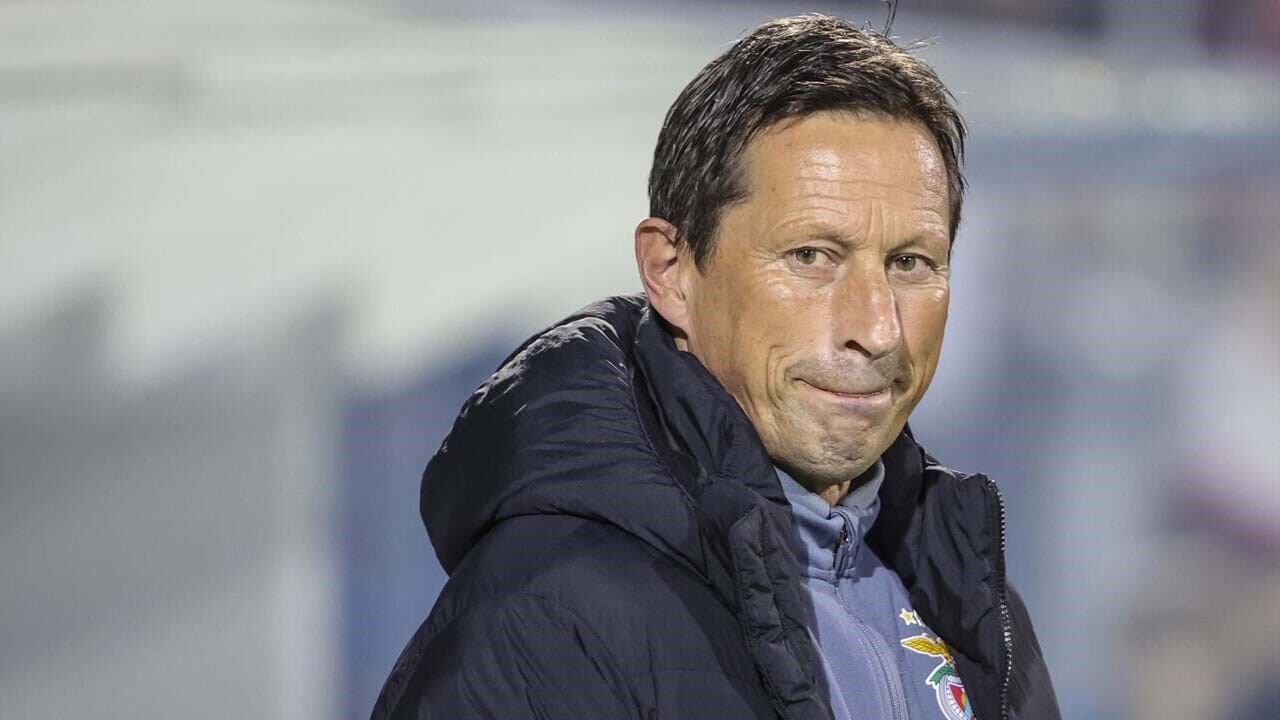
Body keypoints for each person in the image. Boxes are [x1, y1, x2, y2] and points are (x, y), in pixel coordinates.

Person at [372, 14, 1059, 720]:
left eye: (910, 263)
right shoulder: (548, 623)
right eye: (811, 257)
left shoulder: (978, 614)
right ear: (670, 271)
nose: (877, 329)